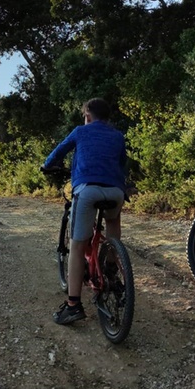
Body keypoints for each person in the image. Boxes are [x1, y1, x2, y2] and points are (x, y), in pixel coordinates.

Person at [41, 98, 128, 325]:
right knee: (112, 222)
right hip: (116, 192)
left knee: (77, 246)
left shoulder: (80, 131)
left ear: (87, 115)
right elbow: (122, 164)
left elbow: (57, 153)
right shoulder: (117, 136)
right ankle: (110, 271)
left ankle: (73, 306)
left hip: (87, 191)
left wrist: (47, 165)